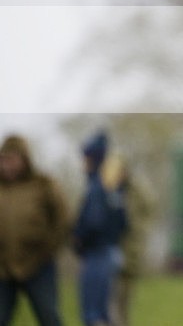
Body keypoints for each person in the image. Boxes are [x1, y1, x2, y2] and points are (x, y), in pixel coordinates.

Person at [0, 134, 70, 326]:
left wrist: (48, 250)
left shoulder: (43, 185)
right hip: (4, 267)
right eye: (3, 160)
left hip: (39, 265)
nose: (7, 165)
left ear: (25, 159)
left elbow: (63, 220)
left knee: (49, 316)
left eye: (12, 159)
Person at [73, 131, 128, 326]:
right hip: (111, 251)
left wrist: (79, 239)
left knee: (93, 313)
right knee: (105, 310)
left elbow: (93, 222)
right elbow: (123, 222)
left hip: (96, 254)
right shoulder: (113, 187)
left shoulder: (97, 187)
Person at [102, 151, 153, 326]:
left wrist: (137, 230)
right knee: (109, 298)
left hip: (130, 251)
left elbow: (148, 212)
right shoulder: (105, 190)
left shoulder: (137, 190)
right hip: (108, 250)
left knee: (124, 299)